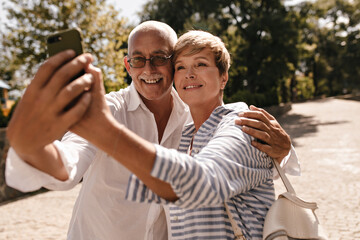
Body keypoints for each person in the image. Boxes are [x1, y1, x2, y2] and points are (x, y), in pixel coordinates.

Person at [5, 21, 299, 239]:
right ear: (127, 65)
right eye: (138, 60)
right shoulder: (109, 109)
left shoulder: (199, 115)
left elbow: (230, 171)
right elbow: (69, 160)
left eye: (160, 58)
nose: (149, 69)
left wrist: (282, 151)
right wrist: (31, 147)